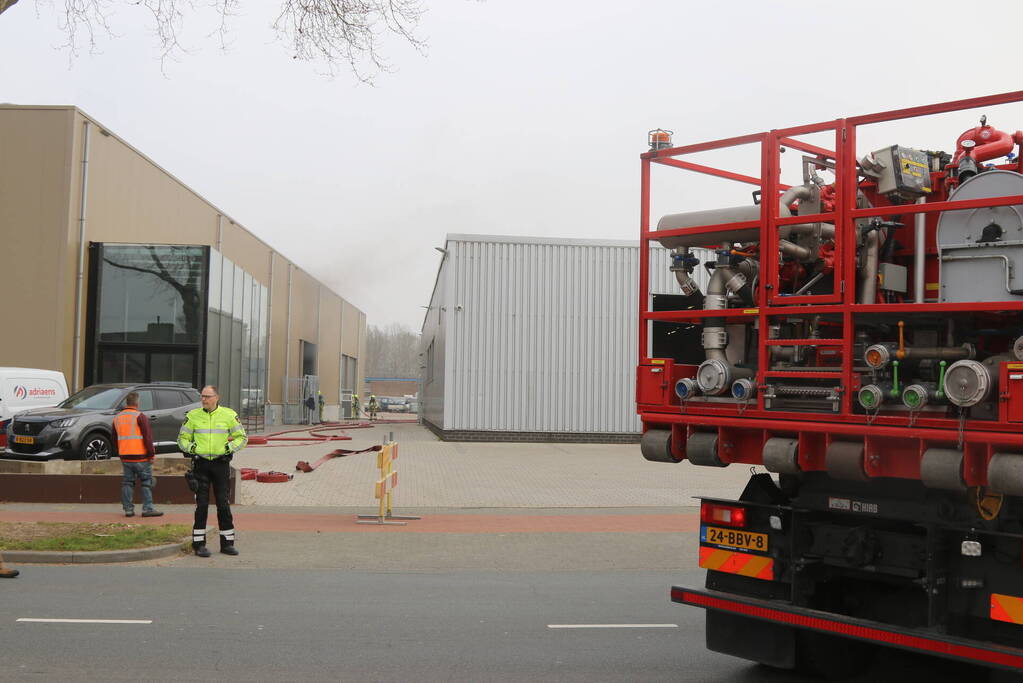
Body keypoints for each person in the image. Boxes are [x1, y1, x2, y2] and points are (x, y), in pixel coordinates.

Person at [177, 385, 247, 557]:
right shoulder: (192, 416)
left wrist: (228, 448)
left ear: (217, 397)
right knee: (201, 505)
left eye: (207, 396)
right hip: (201, 465)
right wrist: (192, 448)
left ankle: (227, 544)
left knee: (223, 504)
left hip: (220, 465)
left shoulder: (229, 415)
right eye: (202, 396)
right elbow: (182, 439)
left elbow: (242, 438)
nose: (204, 399)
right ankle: (199, 545)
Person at [114, 391, 163, 518]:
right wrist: (151, 455)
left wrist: (121, 452)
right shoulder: (140, 416)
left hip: (125, 456)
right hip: (141, 456)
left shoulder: (117, 418)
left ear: (127, 403)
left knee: (127, 483)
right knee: (146, 482)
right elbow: (147, 437)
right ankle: (147, 509)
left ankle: (128, 510)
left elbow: (114, 438)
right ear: (137, 402)